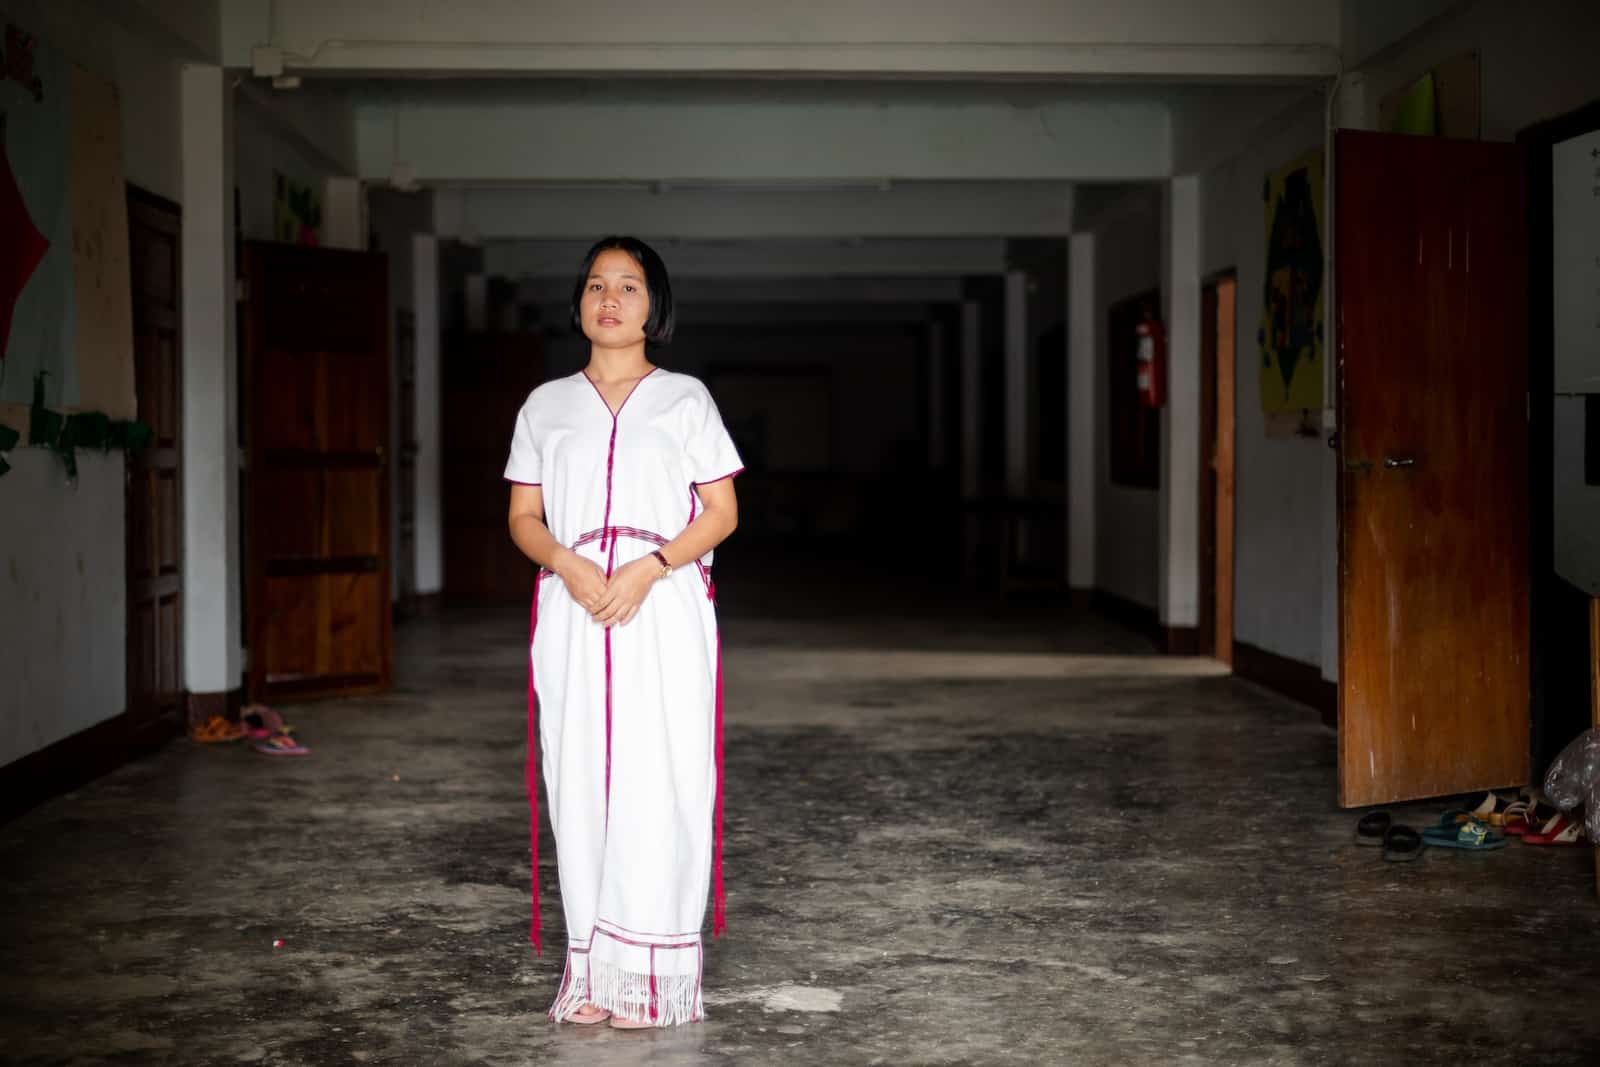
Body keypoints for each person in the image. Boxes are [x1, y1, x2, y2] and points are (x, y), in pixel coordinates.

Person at [504, 236, 742, 1029]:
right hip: (573, 606)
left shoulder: (686, 399)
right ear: (578, 303)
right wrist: (570, 566)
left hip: (661, 603)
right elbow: (523, 518)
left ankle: (652, 975)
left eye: (630, 286)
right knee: (579, 774)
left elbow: (721, 511)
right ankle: (596, 974)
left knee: (660, 773)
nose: (611, 298)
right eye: (597, 285)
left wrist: (650, 566)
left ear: (654, 306)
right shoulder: (544, 405)